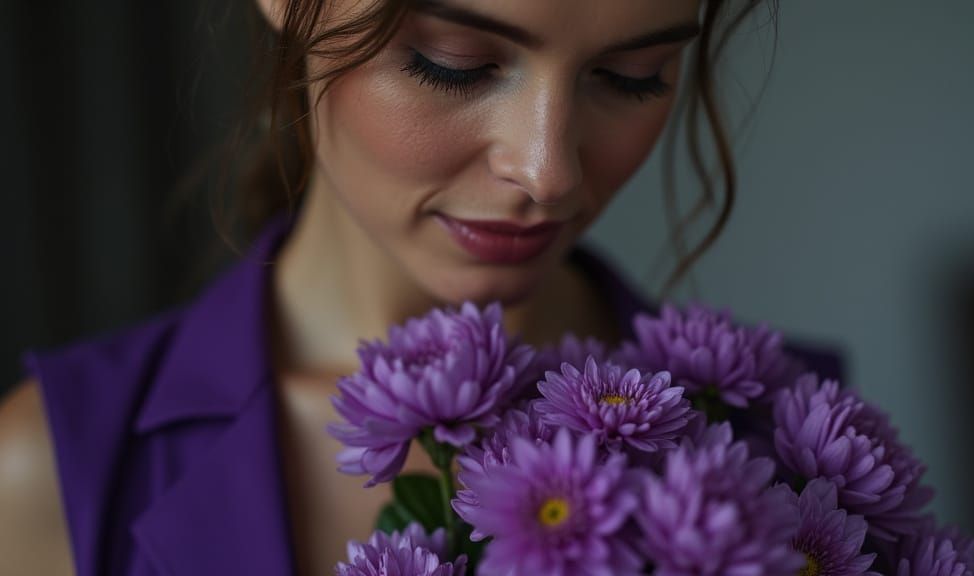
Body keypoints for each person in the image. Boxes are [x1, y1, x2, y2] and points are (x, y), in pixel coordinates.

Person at [0, 0, 823, 574]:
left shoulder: (798, 448)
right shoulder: (50, 475)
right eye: (453, 64)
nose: (548, 172)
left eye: (632, 75)